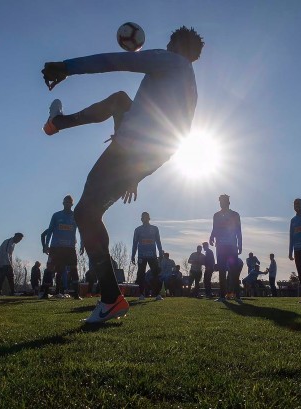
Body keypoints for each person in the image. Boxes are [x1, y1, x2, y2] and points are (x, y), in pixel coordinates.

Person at [41, 26, 204, 323]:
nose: (166, 44)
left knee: (85, 213)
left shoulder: (170, 61)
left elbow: (114, 61)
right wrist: (137, 174)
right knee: (119, 100)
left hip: (130, 151)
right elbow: (176, 139)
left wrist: (66, 67)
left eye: (170, 41)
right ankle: (59, 122)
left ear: (178, 44)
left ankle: (110, 297)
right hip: (145, 152)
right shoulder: (189, 84)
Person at [41, 195, 82, 299]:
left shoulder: (76, 216)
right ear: (63, 203)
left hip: (70, 248)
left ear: (72, 204)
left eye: (69, 202)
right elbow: (49, 231)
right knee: (50, 268)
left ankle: (76, 294)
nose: (67, 204)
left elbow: (81, 231)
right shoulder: (56, 215)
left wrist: (82, 244)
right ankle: (44, 293)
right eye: (65, 202)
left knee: (73, 268)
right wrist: (46, 245)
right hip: (56, 247)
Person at [209, 194, 242, 302]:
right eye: (220, 201)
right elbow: (215, 228)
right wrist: (211, 236)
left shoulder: (235, 214)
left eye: (224, 201)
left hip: (232, 246)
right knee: (222, 270)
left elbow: (238, 230)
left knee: (234, 271)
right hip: (221, 246)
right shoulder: (216, 215)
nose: (222, 203)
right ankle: (222, 296)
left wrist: (240, 244)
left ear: (228, 202)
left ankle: (237, 296)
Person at [132, 212, 164, 301]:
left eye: (146, 217)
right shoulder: (137, 230)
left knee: (155, 274)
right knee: (141, 275)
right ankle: (142, 294)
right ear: (141, 219)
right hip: (141, 256)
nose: (145, 219)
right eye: (143, 217)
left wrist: (160, 253)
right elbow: (134, 243)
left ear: (149, 218)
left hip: (152, 255)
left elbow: (158, 241)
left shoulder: (154, 229)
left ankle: (157, 294)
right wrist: (133, 255)